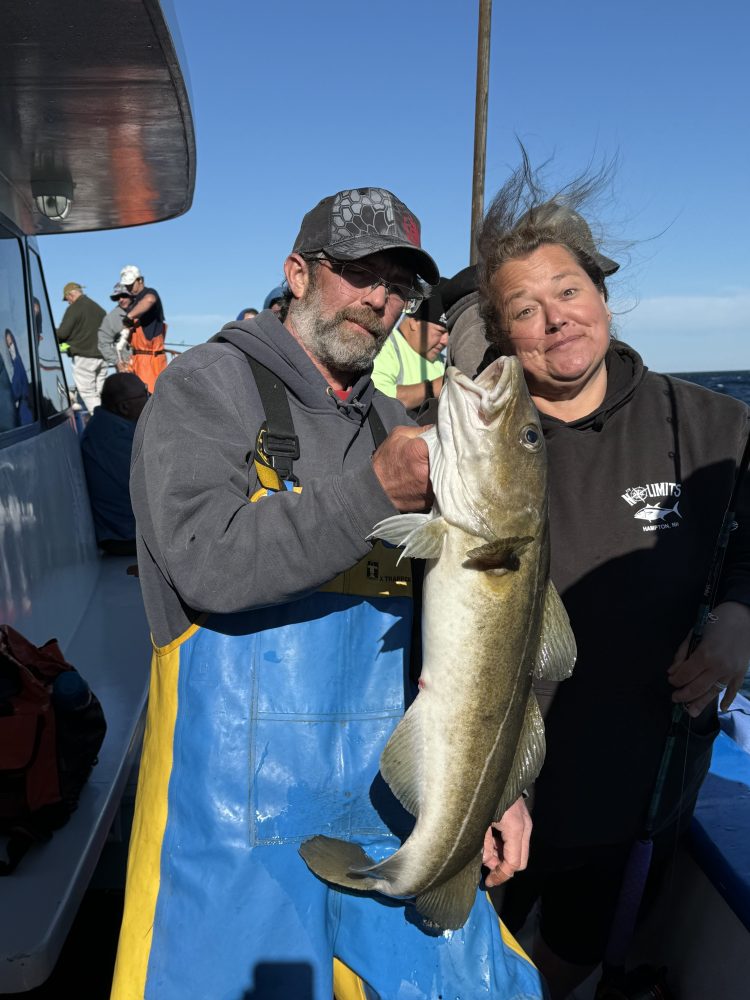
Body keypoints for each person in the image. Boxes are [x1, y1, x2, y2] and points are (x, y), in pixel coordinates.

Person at [111, 186, 545, 1000]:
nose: (378, 300)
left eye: (397, 285)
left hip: (383, 812)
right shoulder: (209, 386)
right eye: (357, 273)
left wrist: (496, 784)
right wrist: (370, 495)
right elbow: (204, 562)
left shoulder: (393, 423)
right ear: (298, 274)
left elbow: (465, 633)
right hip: (229, 839)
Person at [473, 165, 750, 999]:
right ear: (503, 332)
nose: (555, 319)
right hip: (504, 776)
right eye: (524, 309)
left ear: (602, 292)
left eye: (568, 290)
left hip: (645, 777)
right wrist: (484, 783)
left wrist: (741, 614)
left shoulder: (713, 425)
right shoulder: (480, 440)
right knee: (471, 959)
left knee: (575, 953)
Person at [80, 373, 149, 556]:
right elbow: (154, 485)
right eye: (145, 394)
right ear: (124, 407)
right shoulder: (114, 438)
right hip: (127, 538)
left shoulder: (109, 426)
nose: (150, 398)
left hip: (131, 532)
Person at [371, 280, 449, 414]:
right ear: (413, 322)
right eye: (440, 332)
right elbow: (376, 399)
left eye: (449, 333)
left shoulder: (442, 362)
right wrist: (433, 388)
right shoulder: (383, 346)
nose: (445, 341)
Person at [56, 281, 107, 412]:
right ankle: (114, 421)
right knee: (101, 394)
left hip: (84, 358)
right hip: (102, 357)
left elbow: (62, 333)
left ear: (70, 295)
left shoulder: (74, 308)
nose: (68, 302)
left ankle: (103, 425)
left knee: (89, 394)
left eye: (67, 299)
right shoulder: (99, 309)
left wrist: (51, 334)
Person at [118, 265, 167, 393]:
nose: (129, 288)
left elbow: (149, 300)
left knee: (152, 398)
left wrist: (129, 317)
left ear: (140, 280)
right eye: (127, 286)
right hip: (137, 360)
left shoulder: (149, 294)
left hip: (151, 361)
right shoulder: (134, 302)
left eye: (131, 284)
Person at [98, 284, 135, 372]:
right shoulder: (111, 318)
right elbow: (103, 344)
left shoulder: (145, 310)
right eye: (117, 297)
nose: (121, 300)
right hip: (127, 367)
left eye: (124, 296)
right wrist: (117, 362)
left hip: (148, 363)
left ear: (131, 296)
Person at [4, 330, 34, 425]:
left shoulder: (18, 361)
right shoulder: (11, 363)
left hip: (24, 409)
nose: (10, 344)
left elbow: (16, 390)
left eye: (11, 341)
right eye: (8, 342)